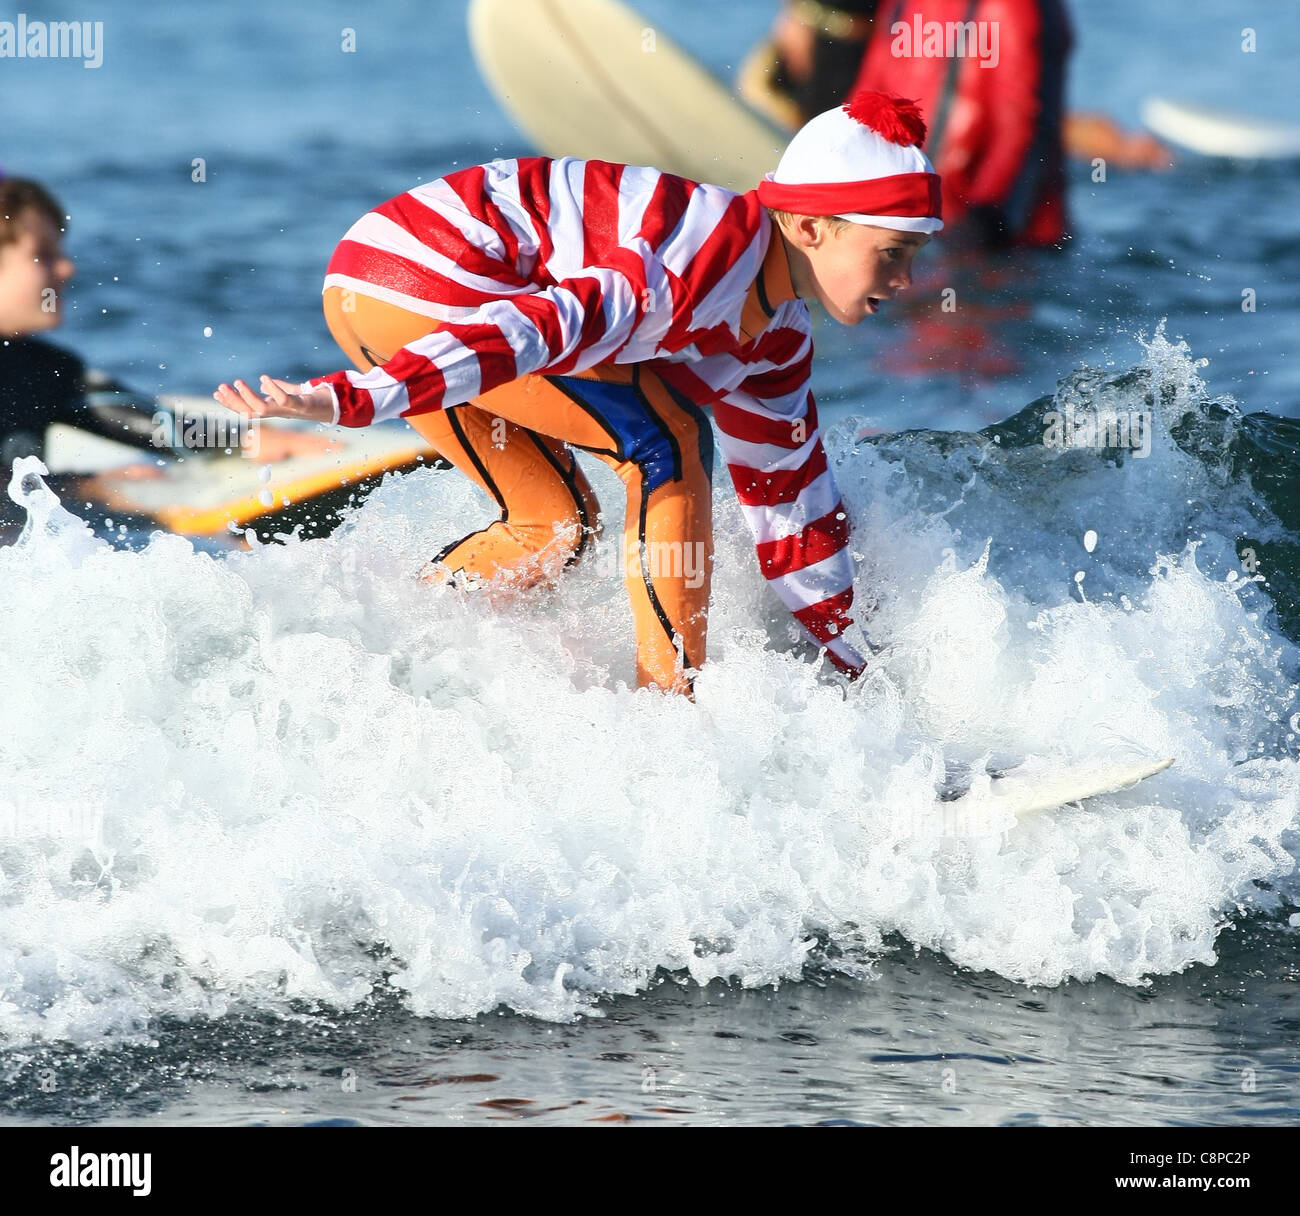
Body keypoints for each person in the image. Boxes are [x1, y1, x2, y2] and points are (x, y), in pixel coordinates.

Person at [213, 91, 943, 697]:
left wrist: (862, 677)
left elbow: (794, 507)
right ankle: (670, 718)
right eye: (893, 252)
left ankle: (374, 659)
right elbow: (537, 328)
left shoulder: (776, 339)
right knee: (667, 440)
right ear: (812, 227)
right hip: (421, 280)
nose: (908, 282)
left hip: (381, 288)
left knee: (554, 525)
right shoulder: (703, 250)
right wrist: (356, 399)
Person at [742, 0, 1170, 249]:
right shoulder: (903, 5)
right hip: (912, 222)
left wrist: (983, 222)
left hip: (989, 238)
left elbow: (1019, 125)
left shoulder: (1015, 8)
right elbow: (870, 96)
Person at [0, 176, 323, 504]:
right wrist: (82, 487)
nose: (67, 268)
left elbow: (132, 416)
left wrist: (242, 439)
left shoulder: (45, 367)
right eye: (44, 254)